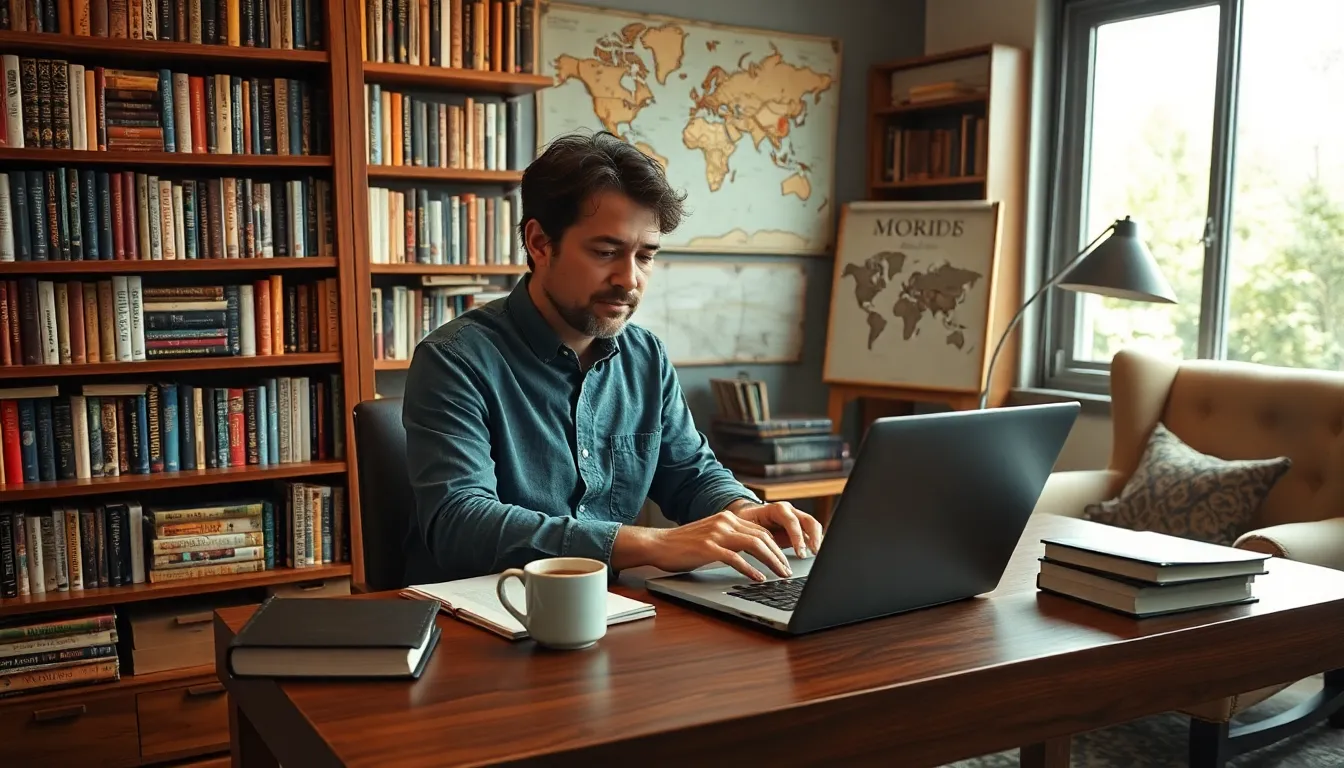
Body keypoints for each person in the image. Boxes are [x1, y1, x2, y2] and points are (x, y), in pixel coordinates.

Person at [401, 130, 824, 586]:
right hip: (484, 618)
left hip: (614, 614)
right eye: (606, 252)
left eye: (645, 256)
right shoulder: (454, 359)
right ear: (540, 243)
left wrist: (745, 511)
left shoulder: (646, 357)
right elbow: (460, 523)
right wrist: (651, 543)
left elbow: (689, 473)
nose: (630, 279)